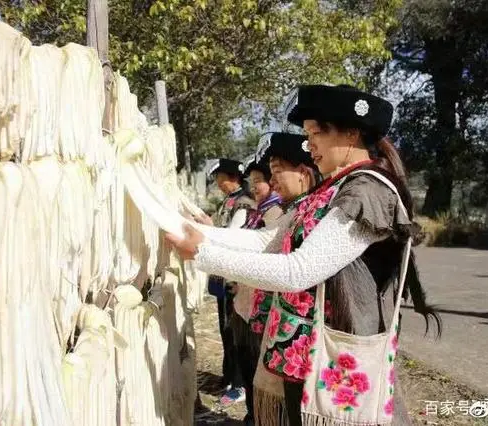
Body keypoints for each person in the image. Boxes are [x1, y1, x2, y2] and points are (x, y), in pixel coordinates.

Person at [168, 84, 442, 426]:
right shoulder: (331, 189)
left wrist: (203, 254)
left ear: (352, 133)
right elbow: (269, 241)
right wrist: (195, 234)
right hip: (303, 355)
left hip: (332, 352)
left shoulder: (365, 190)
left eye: (316, 133)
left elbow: (300, 270)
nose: (309, 143)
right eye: (308, 133)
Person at [228, 156, 284, 420]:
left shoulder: (276, 213)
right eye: (253, 182)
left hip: (261, 310)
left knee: (259, 374)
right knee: (249, 368)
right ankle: (253, 415)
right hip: (246, 305)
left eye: (260, 181)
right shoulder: (257, 212)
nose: (255, 187)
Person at [200, 158, 256, 404]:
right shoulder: (230, 201)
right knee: (225, 328)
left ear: (233, 177)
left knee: (234, 331)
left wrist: (209, 228)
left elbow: (232, 236)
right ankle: (228, 376)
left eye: (220, 178)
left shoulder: (243, 203)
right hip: (223, 276)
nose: (218, 183)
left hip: (234, 277)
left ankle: (239, 384)